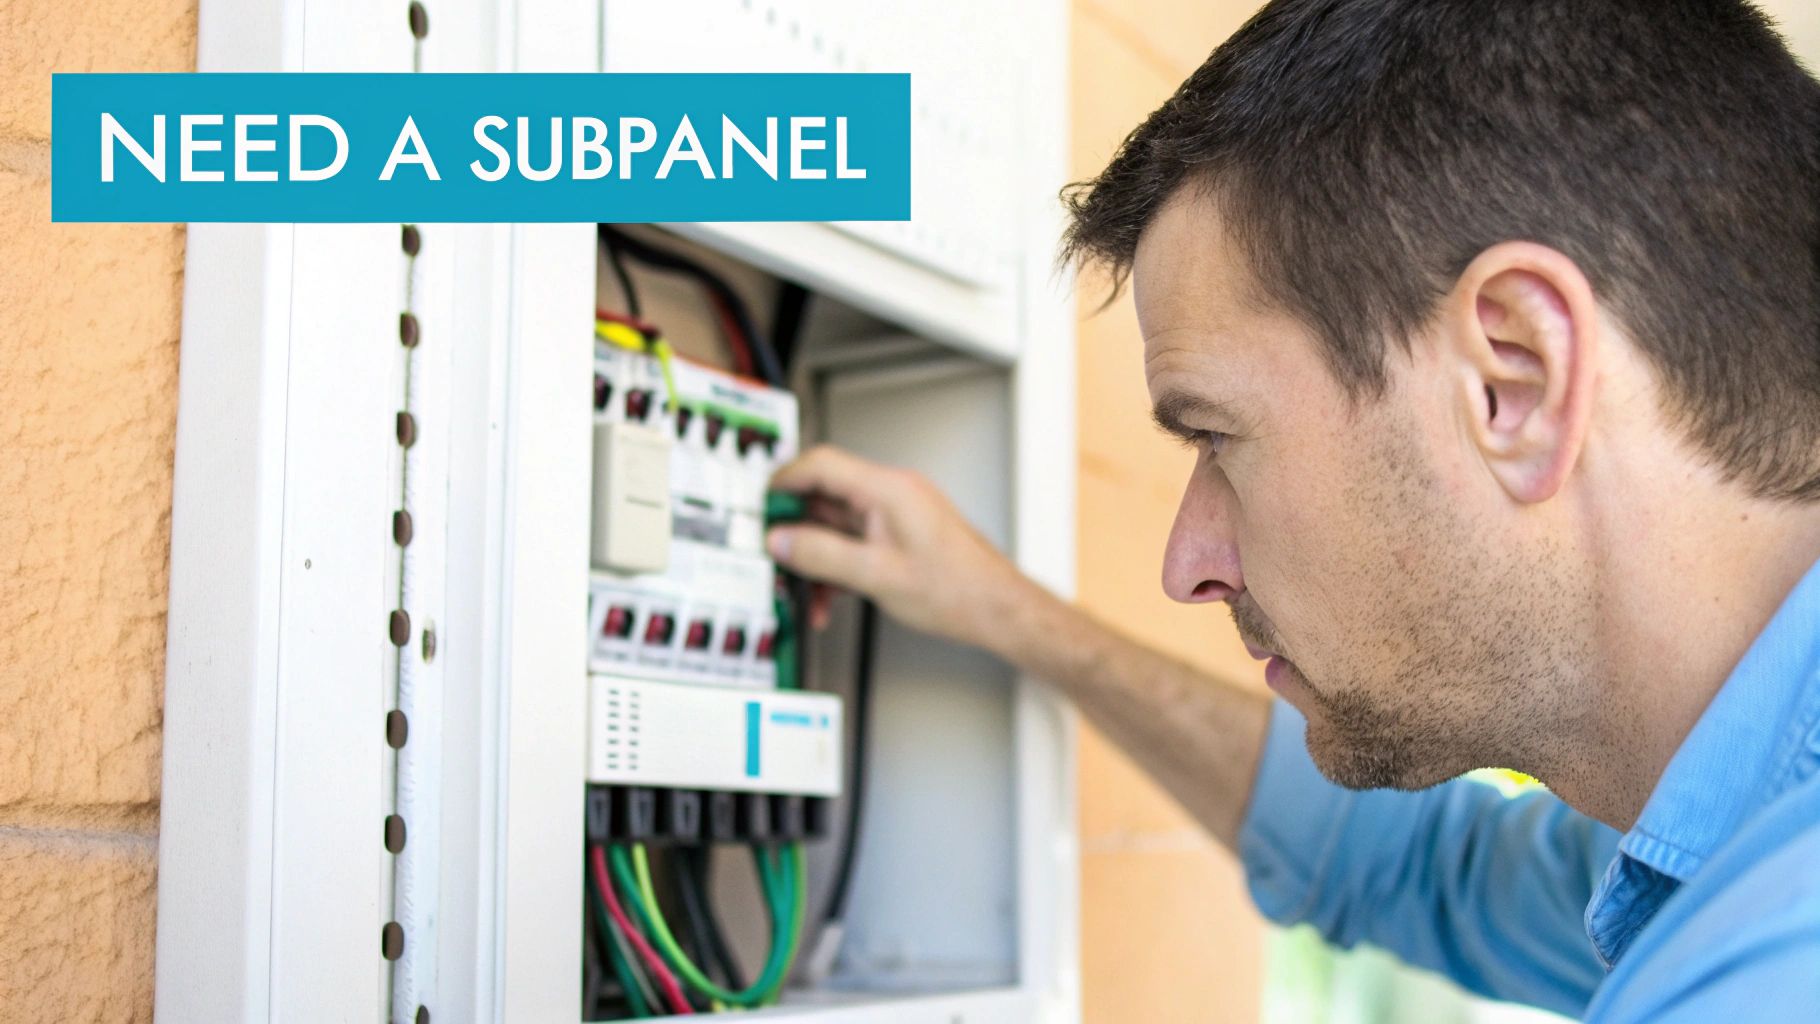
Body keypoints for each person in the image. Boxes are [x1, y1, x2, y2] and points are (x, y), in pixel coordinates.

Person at [763, 0, 1820, 1020]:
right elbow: (1413, 867)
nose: (1185, 564)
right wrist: (1001, 611)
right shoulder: (1720, 855)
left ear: (1516, 380)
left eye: (1216, 436)